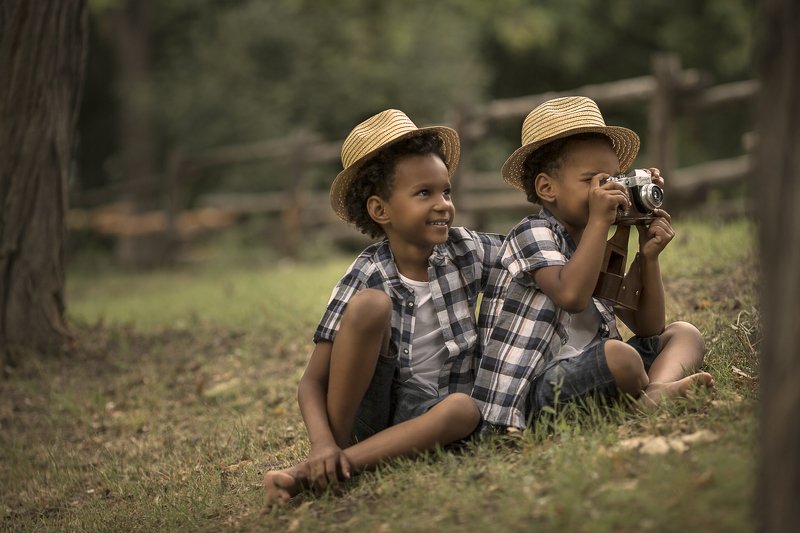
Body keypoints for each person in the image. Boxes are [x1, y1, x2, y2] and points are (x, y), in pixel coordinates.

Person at [264, 109, 503, 504]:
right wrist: (322, 443)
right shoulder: (367, 273)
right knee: (371, 306)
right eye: (424, 193)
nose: (443, 204)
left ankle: (322, 473)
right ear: (380, 210)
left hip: (428, 414)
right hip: (365, 411)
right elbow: (311, 383)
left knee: (463, 409)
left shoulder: (467, 250)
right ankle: (332, 455)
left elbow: (528, 254)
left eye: (446, 191)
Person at [471, 96, 714, 431]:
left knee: (684, 334)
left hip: (598, 369)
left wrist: (648, 256)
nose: (608, 191)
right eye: (592, 181)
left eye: (614, 179)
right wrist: (600, 224)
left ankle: (654, 393)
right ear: (547, 187)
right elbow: (571, 295)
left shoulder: (596, 237)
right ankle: (643, 395)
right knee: (621, 357)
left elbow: (648, 326)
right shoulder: (531, 233)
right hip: (538, 388)